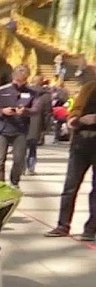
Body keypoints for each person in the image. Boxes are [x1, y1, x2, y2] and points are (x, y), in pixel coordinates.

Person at [45, 80, 96, 241]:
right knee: (70, 187)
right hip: (80, 142)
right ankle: (63, 225)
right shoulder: (88, 86)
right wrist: (74, 119)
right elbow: (75, 110)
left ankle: (91, 229)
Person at [0, 65, 39, 186]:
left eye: (23, 80)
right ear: (13, 77)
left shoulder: (32, 93)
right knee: (0, 160)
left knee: (19, 159)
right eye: (17, 80)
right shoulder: (2, 90)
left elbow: (36, 109)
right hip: (3, 128)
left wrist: (26, 111)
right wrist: (2, 111)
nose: (19, 83)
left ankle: (14, 182)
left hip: (20, 130)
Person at [26, 76, 52, 175]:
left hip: (22, 124)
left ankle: (21, 167)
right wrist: (45, 128)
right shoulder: (46, 96)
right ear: (42, 83)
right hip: (37, 125)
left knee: (21, 147)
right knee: (33, 148)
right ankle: (30, 168)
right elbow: (47, 113)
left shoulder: (24, 92)